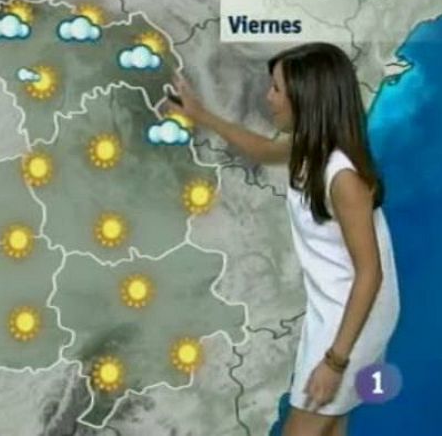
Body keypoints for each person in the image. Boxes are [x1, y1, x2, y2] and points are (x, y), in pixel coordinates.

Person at [165, 42, 400, 436]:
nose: (268, 98)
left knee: (308, 422)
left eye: (277, 89)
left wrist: (335, 361)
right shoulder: (310, 148)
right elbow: (263, 150)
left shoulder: (342, 177)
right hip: (333, 311)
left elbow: (370, 274)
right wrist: (201, 115)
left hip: (353, 319)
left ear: (306, 99)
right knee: (330, 426)